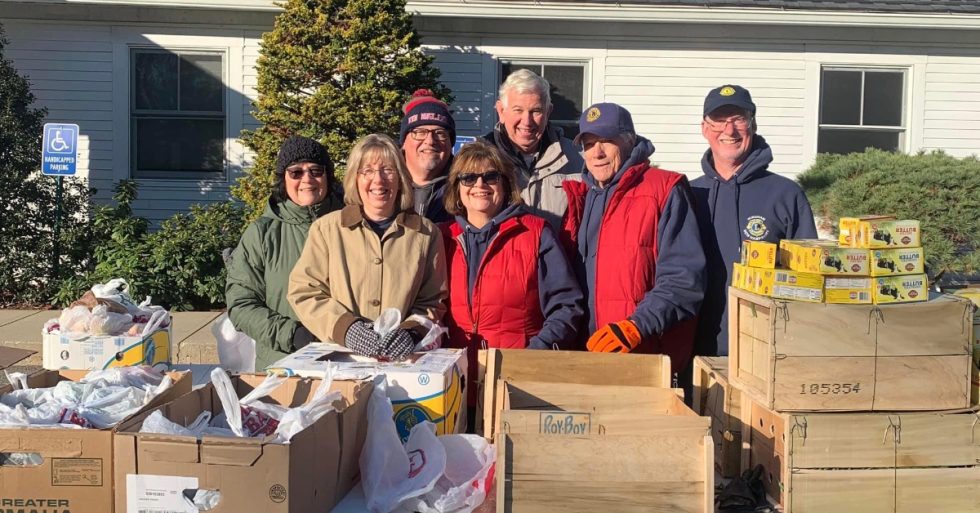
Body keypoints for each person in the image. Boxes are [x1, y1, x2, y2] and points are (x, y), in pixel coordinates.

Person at [562, 102, 706, 380]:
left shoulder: (664, 190)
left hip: (644, 356)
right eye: (589, 144)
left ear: (629, 141)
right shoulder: (583, 197)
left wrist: (636, 327)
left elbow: (683, 279)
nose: (597, 153)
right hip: (589, 355)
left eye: (607, 141)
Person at [441, 141, 584, 411]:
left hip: (514, 383)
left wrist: (533, 355)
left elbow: (566, 306)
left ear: (506, 185)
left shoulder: (535, 233)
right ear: (457, 189)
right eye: (469, 177)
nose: (480, 185)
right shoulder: (442, 238)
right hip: (453, 387)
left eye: (491, 176)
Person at [288, 134, 448, 360]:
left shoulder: (426, 233)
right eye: (367, 171)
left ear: (401, 178)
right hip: (344, 359)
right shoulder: (326, 229)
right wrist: (347, 329)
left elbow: (433, 300)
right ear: (355, 178)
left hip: (403, 362)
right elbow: (305, 292)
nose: (378, 180)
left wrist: (411, 331)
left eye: (388, 170)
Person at [691, 85, 817, 357]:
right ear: (704, 128)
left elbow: (807, 281)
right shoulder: (689, 195)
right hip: (696, 349)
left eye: (738, 119)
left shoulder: (786, 194)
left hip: (768, 349)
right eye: (719, 120)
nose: (729, 130)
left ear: (753, 124)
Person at [226, 135, 343, 370]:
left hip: (347, 361)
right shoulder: (262, 233)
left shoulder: (350, 225)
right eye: (296, 172)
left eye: (316, 170)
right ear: (284, 179)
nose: (307, 179)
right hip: (284, 367)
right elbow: (241, 304)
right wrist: (293, 334)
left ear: (328, 176)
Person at [483, 69, 583, 228]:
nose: (527, 121)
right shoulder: (477, 158)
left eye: (536, 111)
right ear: (501, 111)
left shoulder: (578, 159)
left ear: (548, 111)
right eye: (518, 110)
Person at [400, 89, 456, 223]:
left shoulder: (467, 186)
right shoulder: (382, 184)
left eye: (440, 133)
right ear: (404, 142)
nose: (430, 140)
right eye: (419, 132)